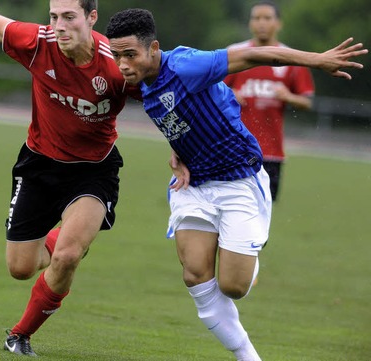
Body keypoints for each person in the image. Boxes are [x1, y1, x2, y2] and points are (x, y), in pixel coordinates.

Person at [105, 8, 366, 361]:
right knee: (195, 274)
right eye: (116, 55)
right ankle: (249, 357)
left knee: (234, 286)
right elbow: (178, 117)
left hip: (238, 179)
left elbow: (255, 54)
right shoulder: (139, 81)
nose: (122, 64)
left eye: (130, 55)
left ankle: (249, 255)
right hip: (193, 184)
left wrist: (315, 60)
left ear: (153, 48)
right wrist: (178, 151)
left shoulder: (187, 65)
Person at [0, 0, 142, 356]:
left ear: (91, 18)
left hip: (94, 170)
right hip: (39, 166)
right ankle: (67, 236)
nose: (59, 26)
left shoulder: (118, 65)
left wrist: (181, 152)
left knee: (67, 257)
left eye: (68, 17)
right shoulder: (37, 43)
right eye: (53, 17)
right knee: (21, 268)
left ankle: (19, 335)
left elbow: (169, 97)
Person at [224, 1, 315, 202]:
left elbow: (307, 102)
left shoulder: (291, 58)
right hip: (234, 148)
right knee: (231, 206)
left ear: (279, 23)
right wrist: (228, 93)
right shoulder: (235, 53)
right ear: (250, 23)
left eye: (267, 18)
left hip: (271, 152)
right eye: (256, 18)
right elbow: (209, 88)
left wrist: (289, 97)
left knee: (263, 213)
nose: (261, 23)